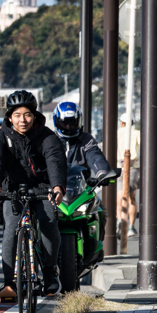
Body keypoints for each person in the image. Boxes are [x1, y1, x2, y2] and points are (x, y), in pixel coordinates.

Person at [0, 90, 67, 299]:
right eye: (18, 115)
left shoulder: (47, 136)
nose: (23, 120)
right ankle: (9, 283)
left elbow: (55, 161)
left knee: (48, 223)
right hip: (12, 191)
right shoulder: (1, 137)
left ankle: (49, 272)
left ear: (35, 115)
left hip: (42, 189)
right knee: (11, 227)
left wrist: (57, 187)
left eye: (27, 114)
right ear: (10, 117)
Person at [53, 100, 111, 241]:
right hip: (53, 190)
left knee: (100, 211)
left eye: (73, 123)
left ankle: (96, 245)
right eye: (65, 123)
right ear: (57, 122)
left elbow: (95, 156)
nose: (69, 127)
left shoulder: (86, 139)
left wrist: (102, 173)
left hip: (81, 189)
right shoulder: (50, 139)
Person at [117, 114, 140, 237]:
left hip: (118, 166)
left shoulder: (116, 133)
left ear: (122, 123)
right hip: (133, 167)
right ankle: (131, 226)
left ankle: (119, 220)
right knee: (131, 198)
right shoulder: (137, 133)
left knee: (119, 196)